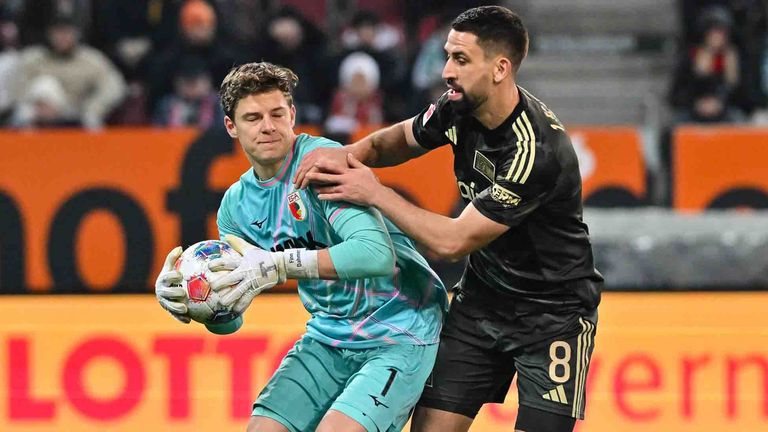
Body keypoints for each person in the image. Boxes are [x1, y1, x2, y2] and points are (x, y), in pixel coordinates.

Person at [295, 6, 602, 432]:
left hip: (553, 317)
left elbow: (453, 241)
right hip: (481, 304)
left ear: (499, 69)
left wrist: (375, 192)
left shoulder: (534, 153)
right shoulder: (458, 107)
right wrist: (348, 155)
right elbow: (398, 140)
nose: (446, 71)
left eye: (460, 59)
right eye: (447, 56)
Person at [154, 62, 448, 432]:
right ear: (231, 126)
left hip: (399, 330)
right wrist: (196, 301)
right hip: (327, 338)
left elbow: (376, 254)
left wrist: (280, 264)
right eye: (253, 117)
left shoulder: (322, 163)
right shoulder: (236, 206)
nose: (268, 126)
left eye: (278, 113)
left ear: (293, 114)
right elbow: (231, 321)